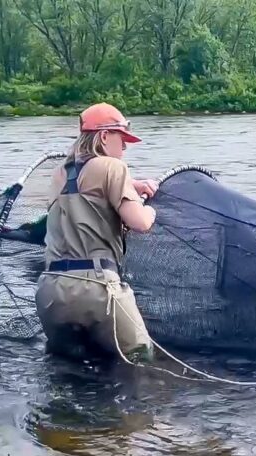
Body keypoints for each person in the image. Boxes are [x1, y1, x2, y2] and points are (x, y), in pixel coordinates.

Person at [35, 102, 159, 361]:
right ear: (104, 137)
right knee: (141, 360)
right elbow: (140, 223)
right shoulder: (113, 167)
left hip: (51, 291)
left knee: (68, 369)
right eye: (121, 139)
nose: (124, 148)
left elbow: (82, 189)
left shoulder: (60, 172)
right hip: (97, 288)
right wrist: (152, 210)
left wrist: (131, 185)